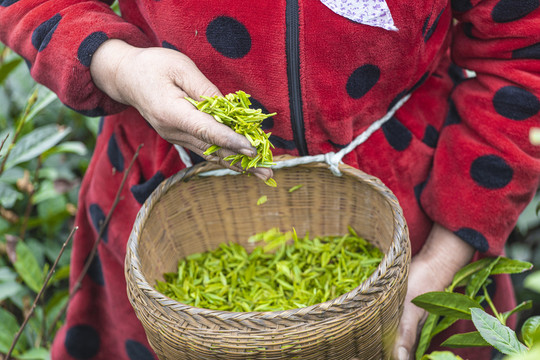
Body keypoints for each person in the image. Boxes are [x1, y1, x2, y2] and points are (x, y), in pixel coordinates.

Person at [1, 1, 539, 359]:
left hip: (407, 205)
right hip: (167, 189)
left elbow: (522, 54)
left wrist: (439, 265)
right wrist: (119, 65)